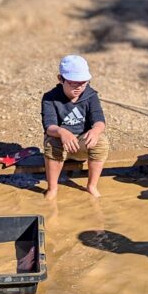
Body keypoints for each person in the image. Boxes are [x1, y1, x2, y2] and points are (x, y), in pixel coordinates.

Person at [41, 55, 108, 199]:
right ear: (61, 78)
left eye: (83, 83)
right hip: (60, 144)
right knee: (52, 143)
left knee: (102, 142)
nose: (78, 88)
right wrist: (62, 132)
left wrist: (96, 131)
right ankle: (52, 188)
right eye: (73, 83)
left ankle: (91, 186)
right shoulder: (49, 98)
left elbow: (99, 120)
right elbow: (49, 126)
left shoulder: (91, 95)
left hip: (82, 145)